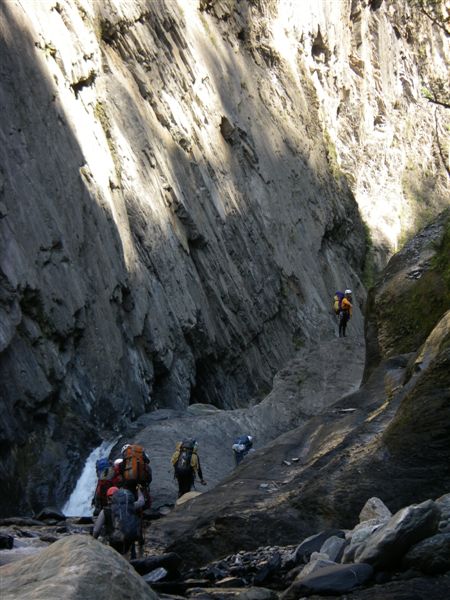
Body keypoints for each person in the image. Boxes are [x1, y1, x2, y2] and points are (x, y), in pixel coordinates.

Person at [92, 485, 145, 560]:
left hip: (114, 541)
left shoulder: (105, 511)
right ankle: (133, 561)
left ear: (108, 498)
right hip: (129, 540)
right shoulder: (131, 506)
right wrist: (139, 490)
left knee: (115, 559)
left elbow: (96, 530)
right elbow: (141, 501)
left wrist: (92, 541)